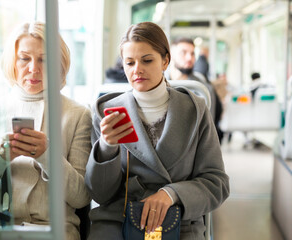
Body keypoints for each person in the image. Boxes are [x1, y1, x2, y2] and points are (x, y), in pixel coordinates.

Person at [85, 22, 229, 240]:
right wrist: (107, 148)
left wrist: (171, 194)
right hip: (118, 219)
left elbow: (216, 183)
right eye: (129, 62)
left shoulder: (195, 110)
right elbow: (100, 193)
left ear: (165, 61)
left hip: (180, 219)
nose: (137, 70)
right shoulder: (105, 113)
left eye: (147, 60)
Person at [0, 22, 92, 240]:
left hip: (56, 231)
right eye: (24, 58)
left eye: (44, 59)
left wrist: (46, 155)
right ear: (12, 62)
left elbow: (81, 197)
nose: (33, 68)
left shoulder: (78, 114)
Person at [170, 38, 224, 143]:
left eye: (192, 54)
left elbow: (207, 128)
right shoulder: (159, 83)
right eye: (183, 53)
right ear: (170, 56)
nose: (189, 58)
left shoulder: (202, 88)